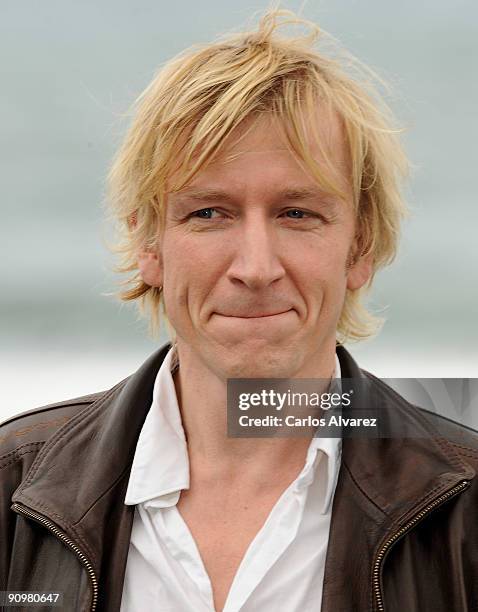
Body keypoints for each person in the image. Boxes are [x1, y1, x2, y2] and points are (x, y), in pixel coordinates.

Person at [1, 9, 477, 612]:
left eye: (297, 213)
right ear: (150, 245)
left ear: (361, 248)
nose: (255, 268)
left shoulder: (465, 503)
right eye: (209, 213)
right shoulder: (14, 488)